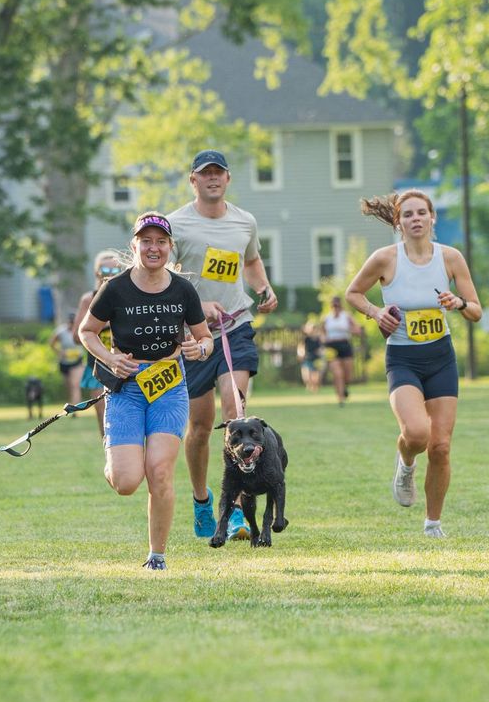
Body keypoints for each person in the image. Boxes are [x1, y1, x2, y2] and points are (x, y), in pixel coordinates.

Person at [77, 213, 214, 570]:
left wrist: (199, 349)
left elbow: (205, 338)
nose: (154, 248)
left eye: (161, 242)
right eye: (146, 241)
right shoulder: (116, 288)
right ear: (134, 245)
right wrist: (110, 358)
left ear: (170, 247)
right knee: (126, 482)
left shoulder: (183, 289)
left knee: (161, 471)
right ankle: (115, 455)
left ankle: (157, 556)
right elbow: (86, 331)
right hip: (127, 388)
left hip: (169, 386)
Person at [345, 190, 482, 538]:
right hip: (403, 358)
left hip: (440, 357)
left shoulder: (450, 258)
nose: (416, 219)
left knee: (441, 445)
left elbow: (476, 311)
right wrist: (377, 313)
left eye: (422, 212)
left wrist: (459, 302)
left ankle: (432, 523)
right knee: (418, 434)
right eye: (408, 214)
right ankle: (406, 463)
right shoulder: (384, 259)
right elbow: (353, 293)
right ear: (398, 221)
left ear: (432, 218)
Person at [167, 149, 278, 540]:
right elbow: (165, 277)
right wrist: (196, 308)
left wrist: (262, 286)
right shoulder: (176, 224)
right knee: (199, 426)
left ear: (228, 179)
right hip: (193, 337)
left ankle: (233, 506)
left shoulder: (244, 221)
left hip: (236, 326)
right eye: (204, 173)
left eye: (219, 173)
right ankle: (202, 500)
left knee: (235, 411)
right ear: (193, 181)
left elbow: (250, 261)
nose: (212, 178)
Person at [74, 250, 124, 436]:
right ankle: (111, 461)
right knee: (105, 421)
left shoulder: (127, 296)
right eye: (105, 269)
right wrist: (101, 324)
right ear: (97, 272)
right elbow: (77, 336)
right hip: (97, 366)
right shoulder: (89, 299)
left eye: (115, 269)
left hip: (124, 365)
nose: (110, 273)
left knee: (125, 419)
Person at [322, 295, 363, 406]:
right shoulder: (327, 318)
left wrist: (349, 329)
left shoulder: (347, 317)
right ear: (331, 306)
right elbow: (322, 333)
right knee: (337, 374)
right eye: (334, 306)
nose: (336, 308)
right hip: (331, 346)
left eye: (337, 305)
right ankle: (340, 398)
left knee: (347, 374)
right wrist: (323, 340)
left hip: (344, 344)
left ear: (341, 306)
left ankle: (345, 387)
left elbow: (358, 330)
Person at [50, 312, 85, 407]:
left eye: (73, 322)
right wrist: (60, 352)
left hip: (77, 361)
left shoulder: (80, 330)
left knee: (75, 385)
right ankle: (71, 403)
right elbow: (52, 343)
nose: (71, 324)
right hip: (64, 362)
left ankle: (76, 408)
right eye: (70, 322)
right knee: (69, 386)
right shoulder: (61, 331)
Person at [299, 315, 324, 393]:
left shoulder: (319, 339)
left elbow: (322, 347)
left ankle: (315, 388)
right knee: (306, 376)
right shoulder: (306, 339)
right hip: (307, 358)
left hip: (317, 358)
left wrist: (320, 351)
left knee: (316, 375)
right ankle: (309, 386)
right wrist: (301, 354)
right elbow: (301, 347)